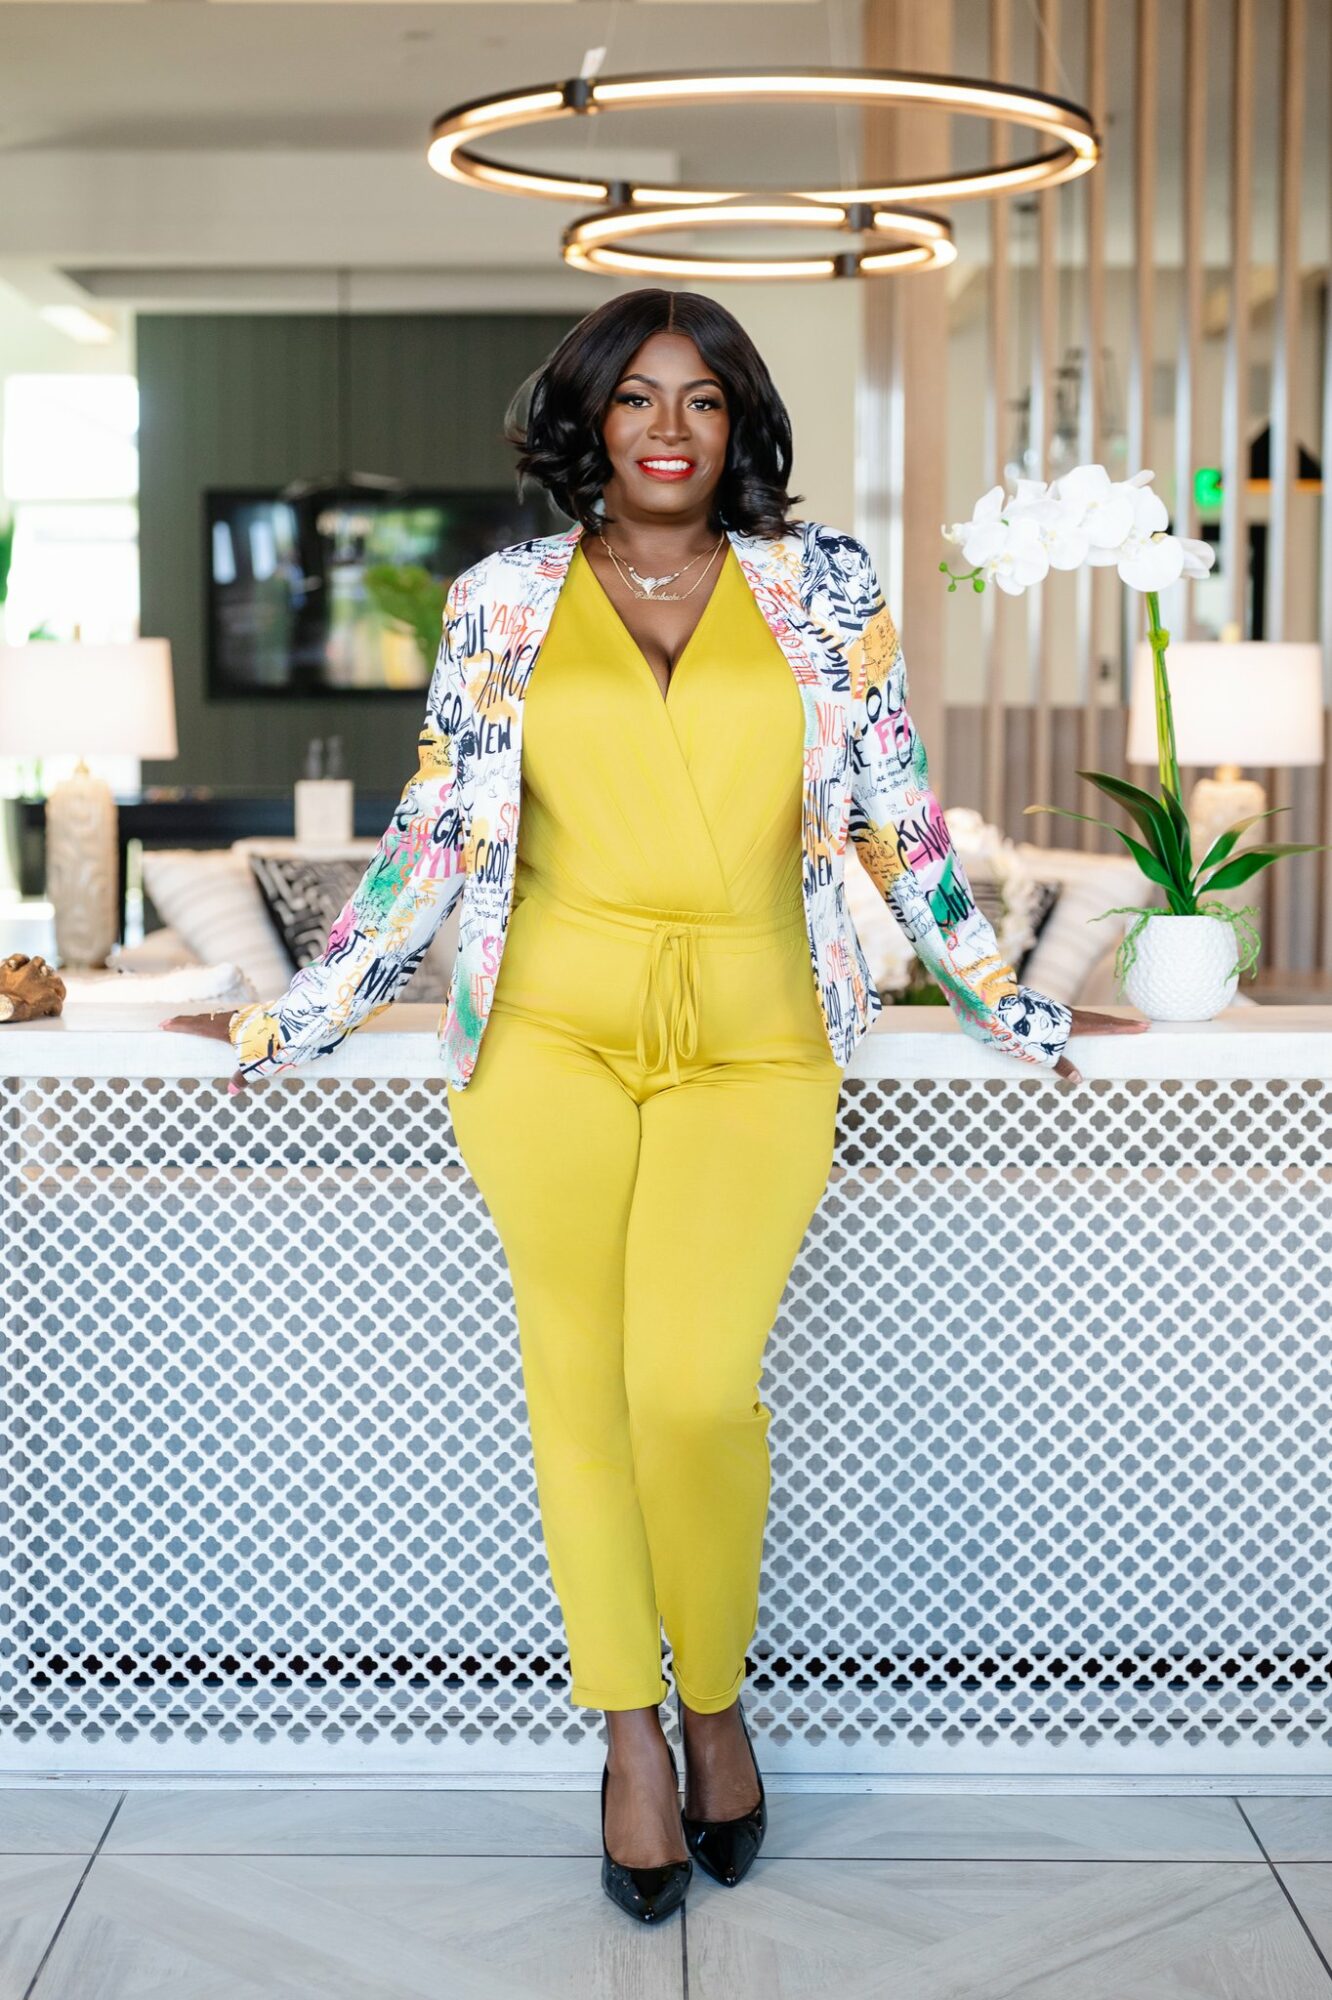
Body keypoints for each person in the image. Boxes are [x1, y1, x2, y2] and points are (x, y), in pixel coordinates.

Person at [164, 287, 1148, 1924]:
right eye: (636, 398)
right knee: (578, 1395)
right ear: (591, 423)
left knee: (690, 1391)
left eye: (700, 397)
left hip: (759, 1035)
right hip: (547, 1031)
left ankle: (715, 1699)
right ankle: (630, 1733)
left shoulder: (826, 586)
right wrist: (296, 1011)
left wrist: (1007, 994)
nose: (669, 427)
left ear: (738, 419)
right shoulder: (499, 601)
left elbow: (898, 817)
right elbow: (435, 830)